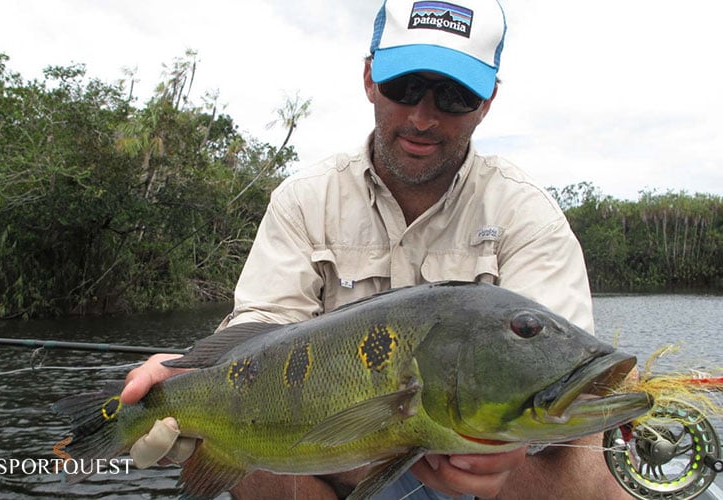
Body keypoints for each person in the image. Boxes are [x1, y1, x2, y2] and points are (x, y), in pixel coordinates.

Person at [122, 0, 631, 498]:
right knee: (259, 459)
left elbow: (562, 372)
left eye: (453, 96)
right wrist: (184, 380)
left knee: (581, 455)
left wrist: (508, 455)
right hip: (344, 444)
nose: (423, 117)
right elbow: (259, 327)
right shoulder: (304, 200)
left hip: (485, 455)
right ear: (369, 78)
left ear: (487, 102)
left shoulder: (527, 214)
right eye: (404, 87)